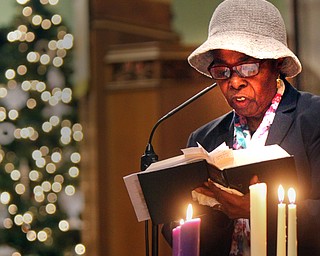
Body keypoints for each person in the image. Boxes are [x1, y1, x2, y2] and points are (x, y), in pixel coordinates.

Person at [162, 0, 320, 255]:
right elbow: (176, 231)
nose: (234, 82)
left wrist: (255, 209)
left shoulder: (313, 118)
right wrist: (212, 211)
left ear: (276, 63)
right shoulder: (204, 139)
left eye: (248, 67)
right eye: (222, 71)